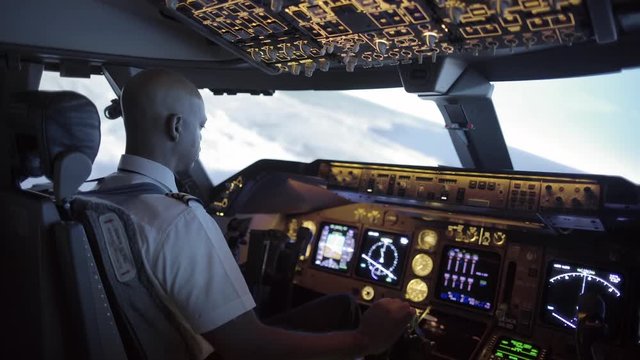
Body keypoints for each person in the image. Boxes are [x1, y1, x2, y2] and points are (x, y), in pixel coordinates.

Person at [96, 69, 415, 360]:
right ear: (177, 127)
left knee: (342, 306)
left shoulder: (97, 200)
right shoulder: (180, 219)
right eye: (200, 127)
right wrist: (364, 341)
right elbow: (248, 347)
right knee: (350, 321)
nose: (201, 139)